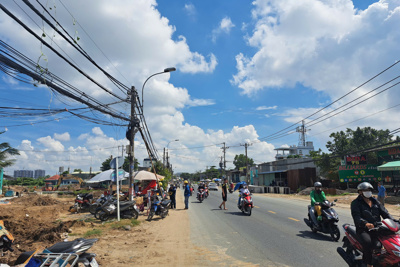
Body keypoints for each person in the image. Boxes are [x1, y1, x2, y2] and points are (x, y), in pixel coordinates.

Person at [351, 182, 393, 267]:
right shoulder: (355, 203)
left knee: (389, 239)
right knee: (368, 242)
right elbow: (356, 217)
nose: (368, 192)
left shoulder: (375, 201)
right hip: (363, 229)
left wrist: (393, 221)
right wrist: (365, 223)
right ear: (360, 192)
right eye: (365, 190)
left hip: (377, 227)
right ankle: (369, 263)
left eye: (369, 190)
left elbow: (385, 213)